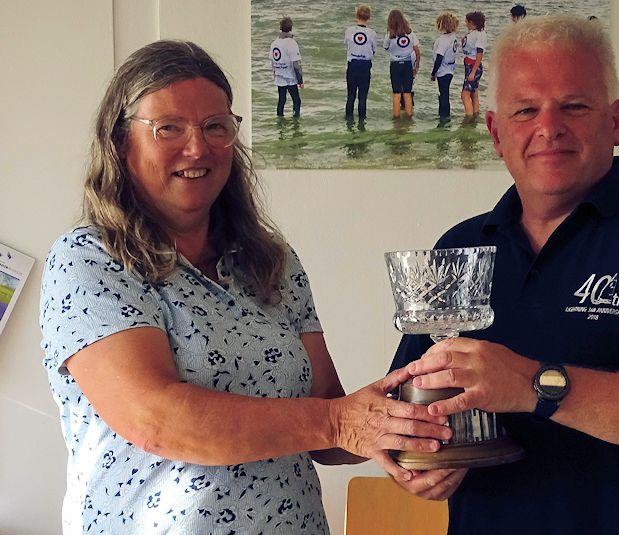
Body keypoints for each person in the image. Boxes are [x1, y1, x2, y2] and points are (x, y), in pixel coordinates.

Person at [40, 40, 450, 534]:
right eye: (169, 127)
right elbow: (157, 420)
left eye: (215, 126)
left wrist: (412, 430)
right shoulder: (88, 259)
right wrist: (339, 421)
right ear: (122, 142)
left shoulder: (272, 261)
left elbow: (327, 415)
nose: (197, 147)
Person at [388, 15, 619, 535]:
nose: (548, 127)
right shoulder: (459, 247)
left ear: (615, 121)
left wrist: (532, 383)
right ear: (495, 132)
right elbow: (412, 396)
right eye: (525, 110)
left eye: (574, 105)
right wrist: (418, 458)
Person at [384, 9, 421, 118]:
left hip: (395, 64)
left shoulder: (389, 34)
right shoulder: (410, 33)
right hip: (407, 64)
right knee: (407, 93)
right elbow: (417, 51)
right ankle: (409, 117)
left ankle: (396, 118)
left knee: (396, 93)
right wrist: (417, 66)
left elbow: (385, 48)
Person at [344, 4, 378, 120]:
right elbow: (374, 50)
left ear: (356, 15)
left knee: (351, 96)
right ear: (369, 17)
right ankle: (362, 122)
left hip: (352, 64)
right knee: (363, 97)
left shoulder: (349, 31)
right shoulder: (372, 33)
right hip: (365, 65)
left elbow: (347, 44)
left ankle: (348, 121)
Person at [271, 17, 304, 117]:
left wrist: (275, 74)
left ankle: (280, 125)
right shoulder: (291, 43)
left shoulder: (275, 42)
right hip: (290, 77)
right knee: (296, 101)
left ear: (280, 28)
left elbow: (272, 61)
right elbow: (296, 65)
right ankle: (296, 122)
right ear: (291, 28)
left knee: (281, 100)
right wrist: (300, 80)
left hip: (279, 76)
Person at [431, 12, 459, 120]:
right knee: (445, 93)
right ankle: (445, 115)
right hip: (450, 69)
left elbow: (439, 58)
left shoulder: (443, 40)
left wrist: (433, 73)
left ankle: (443, 117)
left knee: (443, 95)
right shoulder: (453, 37)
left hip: (443, 70)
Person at [461, 11, 487, 118]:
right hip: (469, 65)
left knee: (464, 95)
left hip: (473, 66)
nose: (465, 23)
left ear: (471, 22)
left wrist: (473, 72)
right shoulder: (474, 33)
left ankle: (469, 119)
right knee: (473, 93)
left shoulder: (479, 35)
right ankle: (475, 116)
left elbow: (479, 54)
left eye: (466, 21)